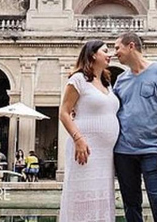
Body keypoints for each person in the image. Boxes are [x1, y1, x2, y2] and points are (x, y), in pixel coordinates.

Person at [114, 32, 157, 222]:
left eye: (118, 48)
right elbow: (110, 109)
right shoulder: (120, 80)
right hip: (124, 152)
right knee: (131, 205)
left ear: (131, 46)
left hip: (153, 150)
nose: (114, 52)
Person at [58, 39, 119, 220]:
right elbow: (64, 112)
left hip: (106, 153)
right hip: (85, 147)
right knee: (83, 191)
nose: (110, 54)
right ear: (93, 54)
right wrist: (79, 139)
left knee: (101, 193)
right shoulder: (78, 79)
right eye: (105, 51)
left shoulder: (107, 83)